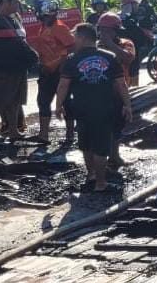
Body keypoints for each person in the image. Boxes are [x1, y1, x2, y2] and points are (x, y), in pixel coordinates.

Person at [56, 23, 132, 192]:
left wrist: (58, 105)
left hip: (81, 108)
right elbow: (121, 84)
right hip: (104, 108)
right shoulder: (110, 57)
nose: (73, 40)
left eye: (75, 36)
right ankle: (100, 182)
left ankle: (91, 175)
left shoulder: (72, 59)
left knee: (86, 143)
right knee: (101, 146)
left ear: (83, 38)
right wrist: (127, 105)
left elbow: (63, 86)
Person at [26, 0, 75, 143]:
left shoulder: (59, 28)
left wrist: (57, 65)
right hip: (47, 70)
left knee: (65, 102)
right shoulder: (45, 27)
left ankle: (70, 135)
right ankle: (44, 134)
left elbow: (71, 48)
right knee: (43, 101)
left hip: (59, 72)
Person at [0, 0, 39, 140]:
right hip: (3, 70)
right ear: (5, 2)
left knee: (15, 101)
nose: (17, 6)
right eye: (14, 3)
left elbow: (21, 42)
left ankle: (13, 131)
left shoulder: (15, 20)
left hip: (19, 68)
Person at [96, 13, 136, 169]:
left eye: (108, 30)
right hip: (98, 92)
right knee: (101, 126)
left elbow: (128, 58)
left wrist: (110, 45)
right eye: (102, 30)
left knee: (117, 125)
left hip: (118, 91)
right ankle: (100, 158)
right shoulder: (94, 45)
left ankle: (114, 155)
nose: (105, 34)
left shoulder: (126, 43)